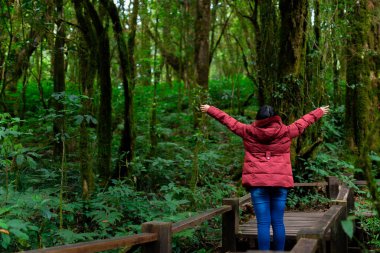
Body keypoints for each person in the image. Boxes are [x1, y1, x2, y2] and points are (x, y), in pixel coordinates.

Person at [200, 104, 329, 251]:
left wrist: (210, 109)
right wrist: (319, 111)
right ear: (275, 118)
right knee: (278, 222)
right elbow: (303, 122)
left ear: (258, 118)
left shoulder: (248, 131)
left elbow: (228, 121)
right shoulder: (286, 131)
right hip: (280, 184)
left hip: (258, 184)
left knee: (262, 223)